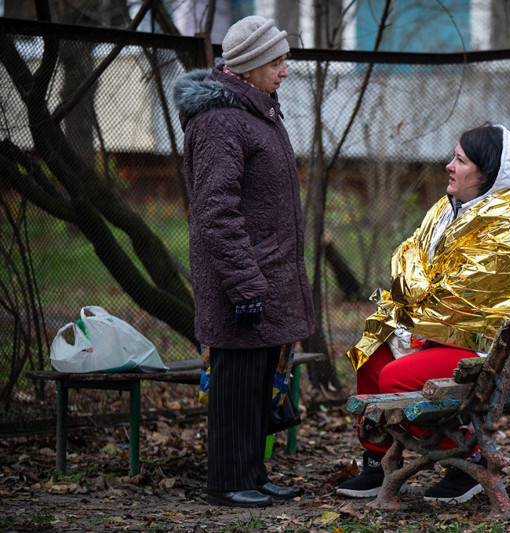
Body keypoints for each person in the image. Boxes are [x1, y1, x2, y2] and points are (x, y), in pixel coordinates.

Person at [336, 123, 510, 504]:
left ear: (487, 173)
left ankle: (465, 460)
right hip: (437, 330)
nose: (449, 166)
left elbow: (460, 298)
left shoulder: (509, 222)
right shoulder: (450, 206)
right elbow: (409, 252)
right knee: (370, 357)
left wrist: (416, 289)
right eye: (453, 157)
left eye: (460, 160)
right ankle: (377, 463)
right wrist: (417, 289)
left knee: (395, 377)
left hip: (487, 347)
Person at [173, 16, 315, 508]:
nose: (285, 70)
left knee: (257, 383)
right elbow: (215, 211)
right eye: (277, 62)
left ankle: (251, 474)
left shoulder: (257, 111)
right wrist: (246, 284)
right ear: (250, 66)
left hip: (265, 276)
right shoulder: (220, 121)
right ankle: (227, 481)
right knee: (235, 383)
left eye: (284, 60)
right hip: (240, 282)